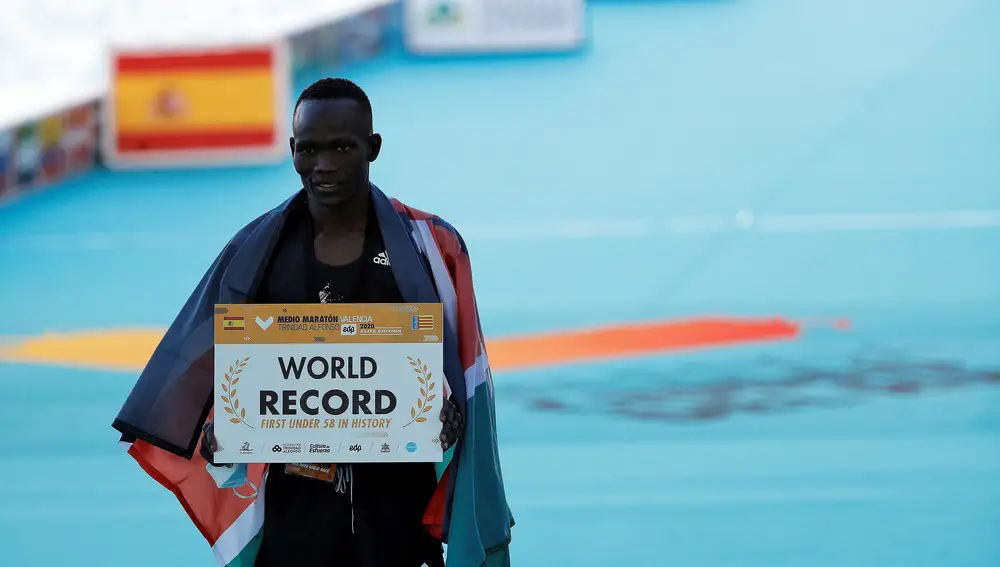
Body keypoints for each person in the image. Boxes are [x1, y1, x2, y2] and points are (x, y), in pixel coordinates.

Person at [112, 78, 514, 567]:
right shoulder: (253, 253)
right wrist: (220, 433)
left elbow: (465, 373)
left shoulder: (432, 247)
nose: (324, 165)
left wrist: (452, 415)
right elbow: (209, 376)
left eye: (342, 147)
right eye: (309, 149)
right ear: (292, 150)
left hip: (398, 508)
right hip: (294, 512)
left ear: (374, 147)